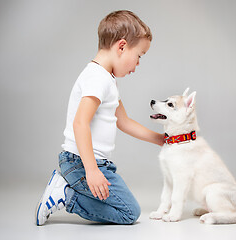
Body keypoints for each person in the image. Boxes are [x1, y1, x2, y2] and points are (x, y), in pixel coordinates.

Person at [35, 10, 164, 226]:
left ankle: (66, 189)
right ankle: (65, 196)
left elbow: (123, 121)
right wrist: (92, 170)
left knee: (127, 210)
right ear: (121, 46)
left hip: (90, 164)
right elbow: (80, 123)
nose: (138, 64)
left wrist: (160, 139)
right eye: (139, 56)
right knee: (129, 213)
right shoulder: (98, 79)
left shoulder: (107, 80)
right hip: (82, 163)